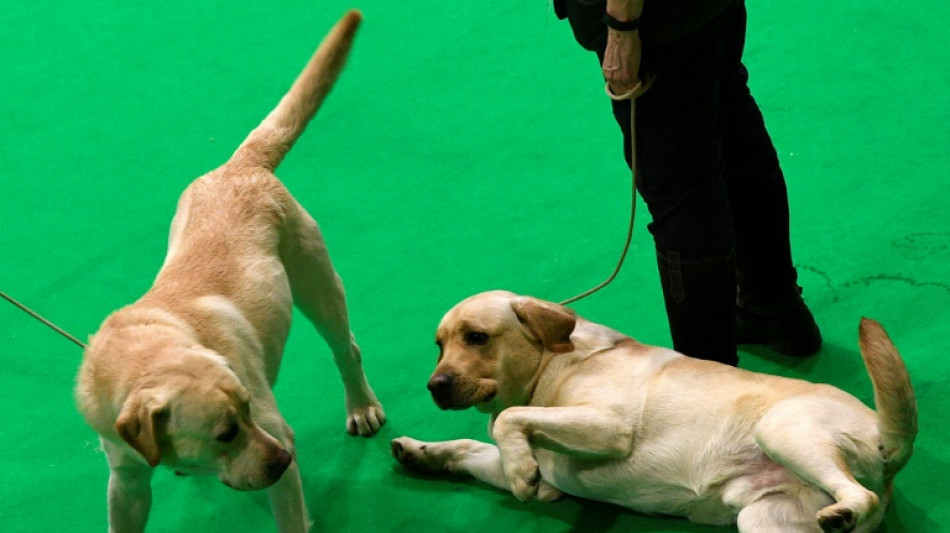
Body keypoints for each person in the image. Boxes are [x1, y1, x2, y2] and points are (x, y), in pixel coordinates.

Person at [553, 0, 821, 365]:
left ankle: (707, 378)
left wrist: (622, 26)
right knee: (734, 131)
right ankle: (772, 309)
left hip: (654, 26)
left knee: (680, 187)